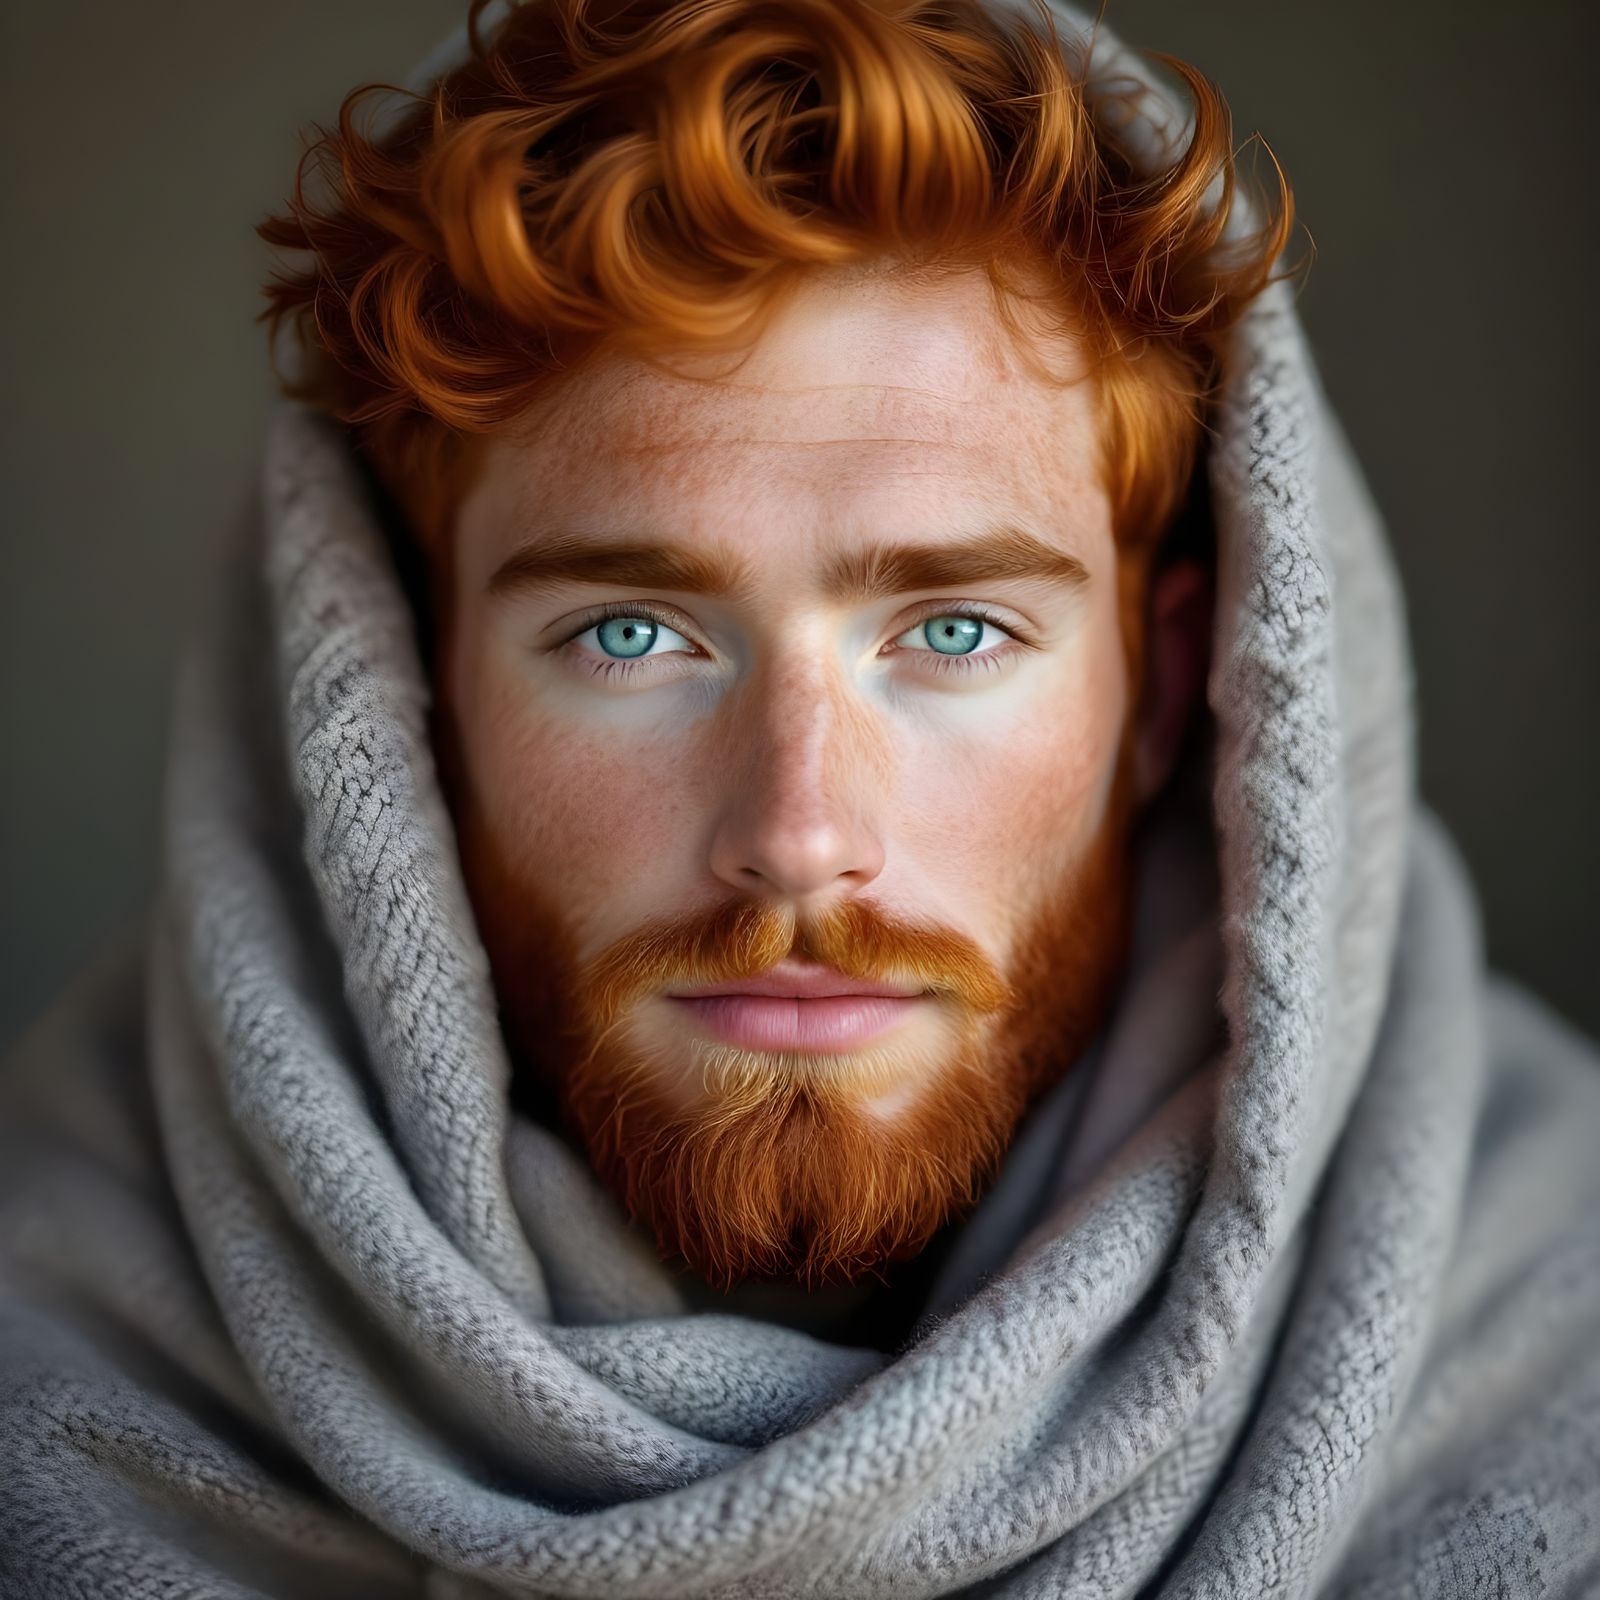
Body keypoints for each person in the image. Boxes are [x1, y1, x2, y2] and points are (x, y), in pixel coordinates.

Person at [2, 0, 1596, 1594]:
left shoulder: (1562, 1316)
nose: (798, 834)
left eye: (956, 631)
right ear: (398, 702)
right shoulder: (39, 1340)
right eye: (630, 634)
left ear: (1175, 692)